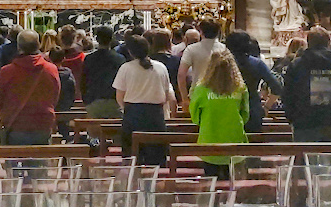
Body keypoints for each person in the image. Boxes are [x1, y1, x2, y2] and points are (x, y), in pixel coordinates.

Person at [281, 28, 331, 142]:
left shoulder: (297, 65)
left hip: (304, 123)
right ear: (328, 42)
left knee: (304, 153)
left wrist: (292, 117)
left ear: (308, 43)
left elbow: (287, 94)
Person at [0, 32, 62, 145]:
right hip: (42, 125)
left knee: (15, 155)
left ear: (19, 47)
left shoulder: (7, 71)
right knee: (41, 156)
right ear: (38, 45)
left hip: (15, 125)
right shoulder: (51, 69)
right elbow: (55, 97)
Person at [113, 33, 175, 162]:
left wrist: (127, 108)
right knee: (156, 157)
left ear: (130, 51)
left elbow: (119, 95)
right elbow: (166, 92)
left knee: (132, 157)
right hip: (155, 114)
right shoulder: (161, 67)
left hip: (133, 114)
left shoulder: (125, 68)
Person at [189, 49, 249, 171]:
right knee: (232, 178)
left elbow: (195, 117)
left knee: (211, 177)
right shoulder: (240, 88)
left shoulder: (201, 89)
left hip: (209, 140)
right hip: (234, 139)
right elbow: (245, 114)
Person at [227, 32, 283, 133]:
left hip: (228, 108)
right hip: (252, 109)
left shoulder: (223, 64)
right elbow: (277, 87)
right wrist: (266, 107)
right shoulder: (257, 63)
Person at [81, 27, 126, 120]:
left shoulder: (89, 59)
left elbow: (83, 81)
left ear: (97, 39)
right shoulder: (119, 59)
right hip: (114, 102)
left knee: (93, 129)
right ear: (112, 39)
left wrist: (86, 100)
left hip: (93, 101)